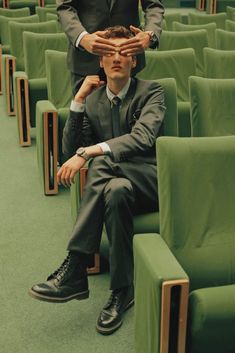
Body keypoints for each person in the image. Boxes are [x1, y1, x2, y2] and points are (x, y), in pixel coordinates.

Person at [29, 26, 165, 335]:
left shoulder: (152, 92)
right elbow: (67, 153)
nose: (116, 58)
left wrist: (89, 153)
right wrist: (77, 102)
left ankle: (77, 263)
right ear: (100, 63)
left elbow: (143, 138)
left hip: (152, 180)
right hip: (119, 186)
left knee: (102, 163)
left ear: (134, 60)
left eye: (124, 53)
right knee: (115, 191)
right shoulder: (92, 101)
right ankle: (122, 291)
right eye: (108, 53)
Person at [56, 0, 164, 95]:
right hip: (86, 60)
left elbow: (154, 6)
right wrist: (82, 38)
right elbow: (65, 8)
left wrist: (150, 35)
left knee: (128, 116)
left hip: (127, 57)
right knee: (84, 115)